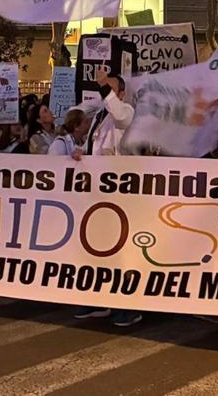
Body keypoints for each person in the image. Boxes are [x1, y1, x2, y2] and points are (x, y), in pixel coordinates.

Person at [75, 72, 141, 328]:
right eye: (103, 90)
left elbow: (120, 114)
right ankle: (99, 299)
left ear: (121, 94)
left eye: (111, 90)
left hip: (120, 193)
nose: (105, 94)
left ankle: (126, 305)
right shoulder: (100, 118)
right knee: (97, 248)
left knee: (120, 251)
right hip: (97, 193)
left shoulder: (127, 113)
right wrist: (84, 154)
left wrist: (104, 89)